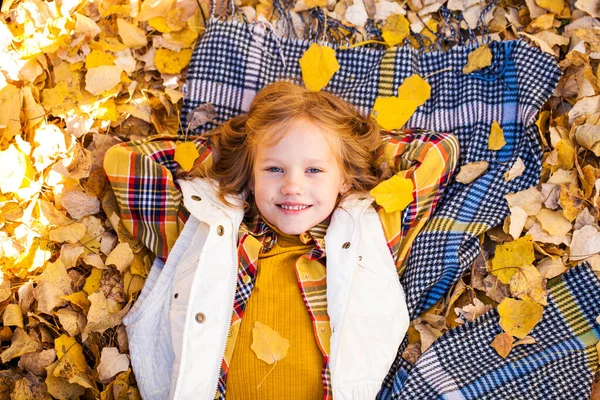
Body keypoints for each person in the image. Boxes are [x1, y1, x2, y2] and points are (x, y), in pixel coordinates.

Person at [103, 81, 459, 400]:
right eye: (274, 169)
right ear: (251, 178)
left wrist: (350, 149)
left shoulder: (368, 227)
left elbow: (438, 151)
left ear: (345, 180)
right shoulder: (208, 227)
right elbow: (124, 161)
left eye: (314, 170)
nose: (292, 185)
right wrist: (235, 153)